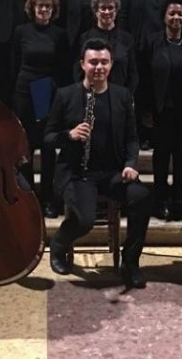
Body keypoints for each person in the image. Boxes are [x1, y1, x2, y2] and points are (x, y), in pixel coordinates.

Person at [45, 39, 153, 289]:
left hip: (113, 172)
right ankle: (59, 243)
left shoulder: (122, 96)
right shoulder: (65, 95)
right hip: (78, 173)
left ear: (111, 64)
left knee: (142, 197)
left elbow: (132, 139)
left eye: (104, 62)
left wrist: (131, 163)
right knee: (85, 220)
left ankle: (130, 262)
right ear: (82, 64)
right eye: (93, 62)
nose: (99, 67)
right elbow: (48, 137)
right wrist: (69, 135)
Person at [137, 0, 182, 220]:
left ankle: (179, 200)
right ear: (164, 17)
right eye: (172, 13)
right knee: (161, 156)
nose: (176, 17)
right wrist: (145, 110)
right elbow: (144, 78)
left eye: (180, 14)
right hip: (160, 110)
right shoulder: (152, 41)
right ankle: (160, 200)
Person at [12, 0, 70, 218]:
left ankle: (47, 198)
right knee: (25, 145)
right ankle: (28, 196)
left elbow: (63, 67)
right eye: (40, 6)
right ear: (32, 8)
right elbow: (14, 63)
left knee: (47, 146)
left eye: (48, 7)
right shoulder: (21, 32)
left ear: (53, 10)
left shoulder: (59, 34)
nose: (44, 10)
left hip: (47, 90)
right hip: (24, 90)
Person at [76, 0, 138, 92]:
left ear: (116, 11)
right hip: (92, 95)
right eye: (103, 8)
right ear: (96, 11)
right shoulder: (85, 38)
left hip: (120, 95)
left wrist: (126, 95)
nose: (107, 12)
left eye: (110, 8)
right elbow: (78, 72)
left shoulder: (127, 39)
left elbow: (132, 73)